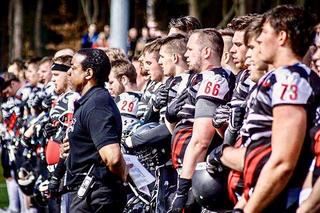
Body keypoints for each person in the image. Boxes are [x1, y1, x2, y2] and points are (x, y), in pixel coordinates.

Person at [236, 5, 319, 212]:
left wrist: (249, 209)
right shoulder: (282, 77)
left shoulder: (289, 78)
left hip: (284, 197)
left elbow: (283, 161)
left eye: (264, 32)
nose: (260, 40)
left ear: (282, 37)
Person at [169, 29, 235, 212]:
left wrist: (183, 189)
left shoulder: (213, 80)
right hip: (186, 171)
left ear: (206, 52)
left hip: (197, 177)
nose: (185, 54)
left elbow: (200, 141)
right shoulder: (197, 78)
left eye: (190, 49)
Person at [66, 48, 127, 213]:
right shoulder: (89, 101)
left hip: (95, 194)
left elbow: (112, 157)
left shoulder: (97, 103)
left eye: (73, 67)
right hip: (88, 193)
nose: (69, 73)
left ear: (88, 73)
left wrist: (122, 177)